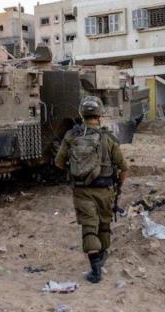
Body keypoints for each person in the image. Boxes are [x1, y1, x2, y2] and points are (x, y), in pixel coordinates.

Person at [55, 96, 128, 283]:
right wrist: (119, 186)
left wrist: (77, 169)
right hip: (106, 190)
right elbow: (123, 167)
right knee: (104, 225)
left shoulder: (72, 136)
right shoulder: (109, 138)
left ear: (82, 113)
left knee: (89, 228)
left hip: (81, 190)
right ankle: (101, 259)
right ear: (99, 114)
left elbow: (59, 162)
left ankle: (95, 271)